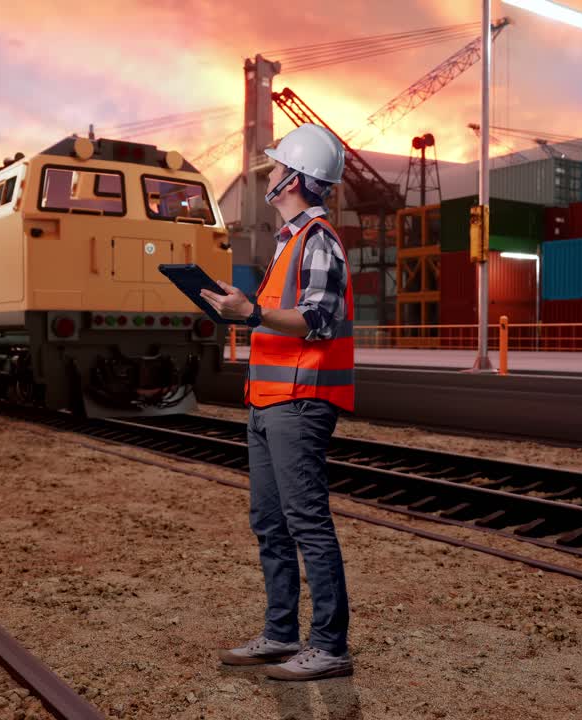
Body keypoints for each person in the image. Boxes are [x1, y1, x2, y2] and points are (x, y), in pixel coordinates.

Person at [199, 123, 355, 681]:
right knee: (270, 522)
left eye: (276, 167)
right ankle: (281, 633)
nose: (268, 174)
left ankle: (330, 646)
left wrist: (254, 314)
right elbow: (274, 319)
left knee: (307, 521)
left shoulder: (318, 239)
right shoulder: (289, 241)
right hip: (268, 401)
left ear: (297, 177)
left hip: (300, 401)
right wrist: (239, 311)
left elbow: (317, 320)